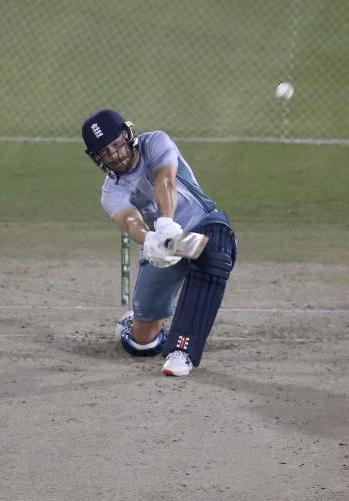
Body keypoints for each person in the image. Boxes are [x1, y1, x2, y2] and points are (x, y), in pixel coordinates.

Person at [81, 108, 237, 376]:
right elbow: (131, 222)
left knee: (215, 256)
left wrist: (165, 223)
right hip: (163, 247)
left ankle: (182, 350)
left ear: (128, 135)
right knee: (143, 344)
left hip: (199, 227)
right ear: (97, 158)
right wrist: (151, 239)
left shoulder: (155, 142)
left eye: (116, 145)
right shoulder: (111, 192)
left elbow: (165, 180)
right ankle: (135, 325)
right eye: (105, 152)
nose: (114, 155)